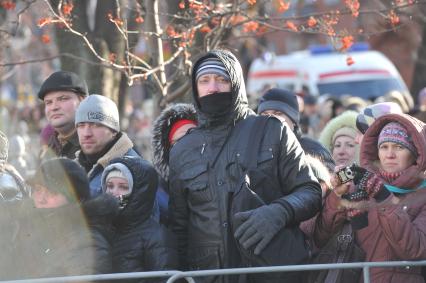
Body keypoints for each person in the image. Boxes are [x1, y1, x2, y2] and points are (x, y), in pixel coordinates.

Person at [168, 49, 322, 282]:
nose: (213, 88)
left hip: (269, 271)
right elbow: (179, 228)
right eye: (204, 80)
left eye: (222, 80)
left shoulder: (271, 130)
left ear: (236, 84)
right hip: (209, 275)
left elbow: (310, 191)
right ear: (196, 87)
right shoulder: (182, 150)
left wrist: (280, 212)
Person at [315, 113, 426, 283]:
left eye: (399, 147)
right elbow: (320, 236)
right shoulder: (361, 185)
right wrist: (337, 195)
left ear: (416, 153)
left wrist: (384, 198)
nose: (389, 155)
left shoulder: (422, 195)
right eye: (384, 147)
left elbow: (415, 250)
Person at [17, 158, 117, 279]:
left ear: (74, 198)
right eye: (38, 190)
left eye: (52, 192)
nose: (41, 199)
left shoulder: (87, 241)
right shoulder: (30, 230)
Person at [101, 156, 178, 279]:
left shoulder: (157, 237)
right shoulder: (102, 231)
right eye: (110, 186)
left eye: (123, 187)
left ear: (139, 193)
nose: (113, 192)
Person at [75, 94, 140, 198]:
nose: (86, 133)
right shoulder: (74, 167)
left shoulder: (132, 170)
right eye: (81, 125)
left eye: (95, 125)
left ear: (113, 131)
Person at [151, 103, 197, 225]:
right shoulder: (157, 192)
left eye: (192, 137)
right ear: (168, 149)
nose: (186, 146)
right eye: (179, 141)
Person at [37, 71, 88, 160]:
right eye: (48, 102)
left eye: (63, 99)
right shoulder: (48, 148)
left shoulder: (94, 145)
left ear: (82, 101)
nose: (54, 107)